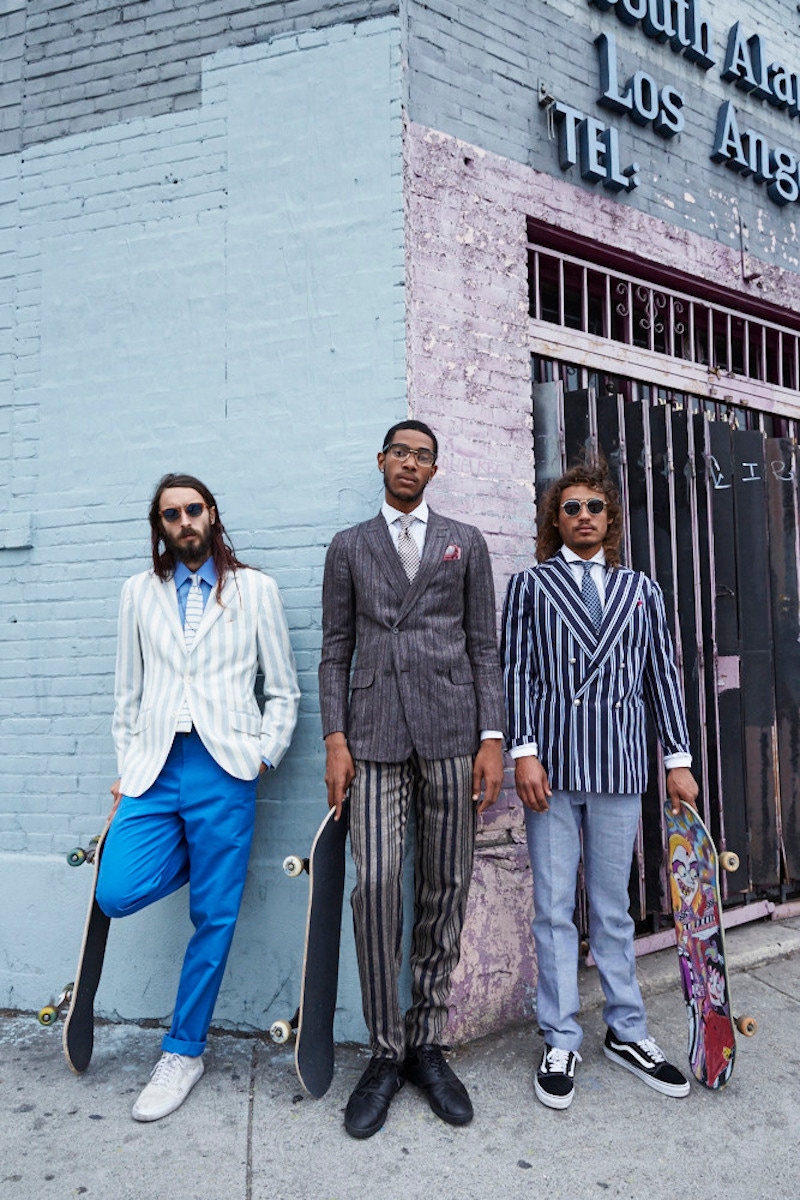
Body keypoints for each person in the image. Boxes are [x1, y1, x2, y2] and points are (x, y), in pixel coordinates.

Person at [319, 420, 506, 1139]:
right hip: (372, 739)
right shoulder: (350, 546)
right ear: (382, 461)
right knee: (376, 886)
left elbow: (483, 644)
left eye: (423, 455)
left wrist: (492, 738)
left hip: (454, 733)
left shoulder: (465, 539)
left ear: (434, 468)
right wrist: (336, 740)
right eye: (400, 451)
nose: (410, 463)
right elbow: (336, 648)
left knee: (446, 884)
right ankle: (384, 1050)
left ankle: (427, 1042)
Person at [97, 472, 300, 1122]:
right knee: (116, 889)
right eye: (170, 514)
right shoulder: (138, 593)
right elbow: (127, 697)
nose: (183, 521)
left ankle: (184, 1050)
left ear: (212, 514)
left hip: (226, 768)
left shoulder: (255, 590)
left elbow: (285, 691)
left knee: (214, 915)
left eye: (193, 509)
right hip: (157, 767)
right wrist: (127, 776)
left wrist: (262, 754)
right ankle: (206, 854)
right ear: (159, 527)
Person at [501, 461, 698, 1110]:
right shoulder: (531, 587)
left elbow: (662, 676)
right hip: (550, 772)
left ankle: (627, 1031)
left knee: (612, 908)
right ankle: (561, 1036)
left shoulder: (642, 590)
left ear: (610, 519)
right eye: (571, 507)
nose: (583, 516)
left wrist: (676, 757)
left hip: (616, 766)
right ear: (554, 520)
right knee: (555, 907)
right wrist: (523, 751)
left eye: (594, 507)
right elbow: (518, 671)